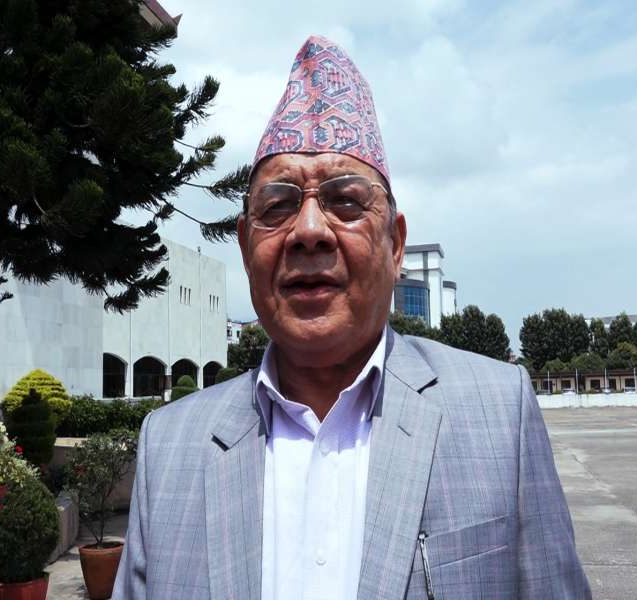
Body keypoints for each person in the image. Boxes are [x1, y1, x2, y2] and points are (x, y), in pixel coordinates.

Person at [114, 35, 591, 599]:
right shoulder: (170, 445)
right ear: (245, 246)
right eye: (278, 206)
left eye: (345, 201)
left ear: (395, 245)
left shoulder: (499, 414)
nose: (309, 231)